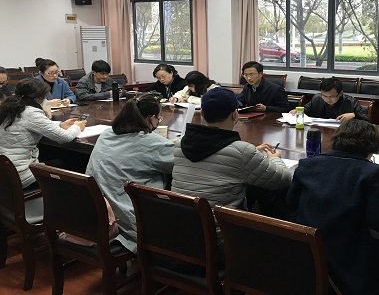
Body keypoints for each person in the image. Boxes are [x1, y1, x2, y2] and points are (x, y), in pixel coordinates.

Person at [287, 119, 379, 295]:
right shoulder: (372, 173)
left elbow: (291, 204)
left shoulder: (307, 165)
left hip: (305, 256)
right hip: (347, 262)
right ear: (371, 148)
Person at [171, 86, 291, 214]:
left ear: (202, 114)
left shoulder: (180, 144)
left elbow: (214, 156)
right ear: (235, 115)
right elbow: (282, 180)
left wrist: (250, 153)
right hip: (220, 224)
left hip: (180, 220)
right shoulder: (242, 152)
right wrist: (274, 159)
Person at [86, 93, 175, 253]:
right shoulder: (151, 142)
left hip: (95, 213)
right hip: (131, 220)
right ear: (151, 119)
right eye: (159, 119)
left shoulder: (106, 134)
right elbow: (178, 162)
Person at [0, 78, 85, 189]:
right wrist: (77, 127)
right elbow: (65, 137)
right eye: (45, 97)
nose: (46, 100)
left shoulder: (10, 107)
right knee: (71, 162)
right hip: (20, 175)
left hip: (5, 172)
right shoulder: (31, 113)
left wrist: (60, 125)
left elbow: (28, 124)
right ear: (37, 98)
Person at [292, 77, 370, 122]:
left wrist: (354, 115)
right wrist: (297, 111)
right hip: (321, 132)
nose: (328, 100)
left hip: (342, 135)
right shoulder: (317, 98)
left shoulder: (351, 102)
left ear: (340, 93)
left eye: (332, 97)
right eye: (324, 96)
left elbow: (367, 120)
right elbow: (306, 110)